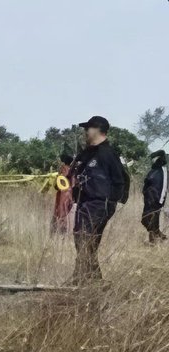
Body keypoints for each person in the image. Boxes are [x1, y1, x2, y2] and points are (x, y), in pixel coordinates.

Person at [68, 115, 130, 283]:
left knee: (84, 238)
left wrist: (110, 202)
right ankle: (93, 279)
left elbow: (122, 179)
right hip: (85, 202)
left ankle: (81, 279)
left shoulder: (108, 154)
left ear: (96, 130)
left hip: (98, 204)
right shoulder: (89, 153)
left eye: (87, 128)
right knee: (86, 242)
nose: (85, 132)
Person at [142, 149, 168, 244]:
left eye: (154, 158)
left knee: (149, 220)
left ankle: (155, 240)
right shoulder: (153, 170)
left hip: (156, 202)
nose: (152, 160)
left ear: (158, 158)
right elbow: (147, 184)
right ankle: (157, 238)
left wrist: (159, 203)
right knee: (148, 220)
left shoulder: (163, 171)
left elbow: (164, 187)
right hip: (148, 200)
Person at [51, 150, 74, 236]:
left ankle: (61, 233)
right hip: (70, 194)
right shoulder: (73, 170)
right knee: (66, 213)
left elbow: (57, 185)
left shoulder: (63, 169)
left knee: (61, 213)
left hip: (63, 194)